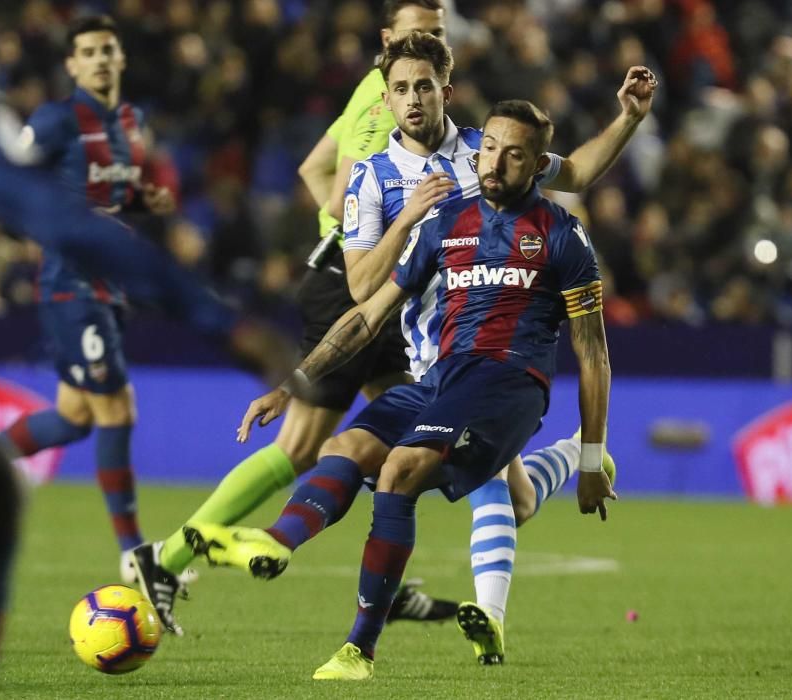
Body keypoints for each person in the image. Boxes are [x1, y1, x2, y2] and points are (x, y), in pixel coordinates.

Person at [0, 1, 280, 697]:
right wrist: (224, 324)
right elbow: (64, 220)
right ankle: (134, 554)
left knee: (2, 471)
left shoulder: (127, 125)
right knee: (105, 411)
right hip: (47, 295)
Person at [185, 99, 616, 680]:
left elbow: (593, 353)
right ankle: (274, 541)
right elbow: (368, 315)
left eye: (514, 155)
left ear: (539, 165)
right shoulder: (446, 222)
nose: (495, 163)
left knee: (401, 469)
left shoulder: (563, 236)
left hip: (509, 382)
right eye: (488, 147)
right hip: (441, 378)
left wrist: (592, 458)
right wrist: (292, 383)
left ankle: (358, 650)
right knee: (344, 449)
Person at [132, 0, 457, 636]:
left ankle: (386, 583)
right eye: (419, 33)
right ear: (388, 38)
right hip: (355, 288)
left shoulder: (384, 89)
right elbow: (341, 190)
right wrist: (361, 228)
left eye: (440, 34)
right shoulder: (381, 100)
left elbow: (313, 168)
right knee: (303, 445)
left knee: (405, 444)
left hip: (387, 286)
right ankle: (165, 558)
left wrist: (342, 226)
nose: (432, 40)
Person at [340, 31, 654, 662]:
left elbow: (582, 172)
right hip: (424, 355)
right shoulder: (374, 175)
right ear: (386, 97)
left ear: (445, 91)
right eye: (400, 88)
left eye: (424, 85)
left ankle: (487, 619)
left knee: (476, 482)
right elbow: (362, 290)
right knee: (517, 498)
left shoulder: (489, 151)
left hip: (491, 356)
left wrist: (628, 117)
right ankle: (572, 455)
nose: (413, 98)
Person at [0, 15, 177, 594]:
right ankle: (134, 556)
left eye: (107, 50)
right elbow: (3, 184)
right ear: (71, 65)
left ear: (120, 59)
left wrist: (144, 202)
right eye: (87, 52)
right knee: (117, 409)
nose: (99, 59)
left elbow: (111, 198)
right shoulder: (53, 121)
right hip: (70, 285)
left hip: (112, 284)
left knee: (75, 417)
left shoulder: (132, 121)